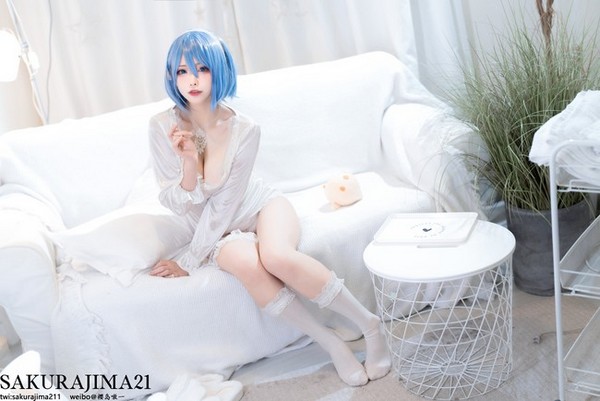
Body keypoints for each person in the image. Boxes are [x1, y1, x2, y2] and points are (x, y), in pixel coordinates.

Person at [147, 29, 390, 386]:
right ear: (172, 75)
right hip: (220, 232)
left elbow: (227, 201)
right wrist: (187, 163)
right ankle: (331, 343)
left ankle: (370, 324)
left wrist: (189, 260)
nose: (192, 80)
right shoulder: (162, 127)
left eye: (202, 68)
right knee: (246, 263)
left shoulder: (244, 129)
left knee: (276, 257)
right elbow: (172, 200)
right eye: (182, 71)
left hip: (259, 206)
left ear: (219, 69)